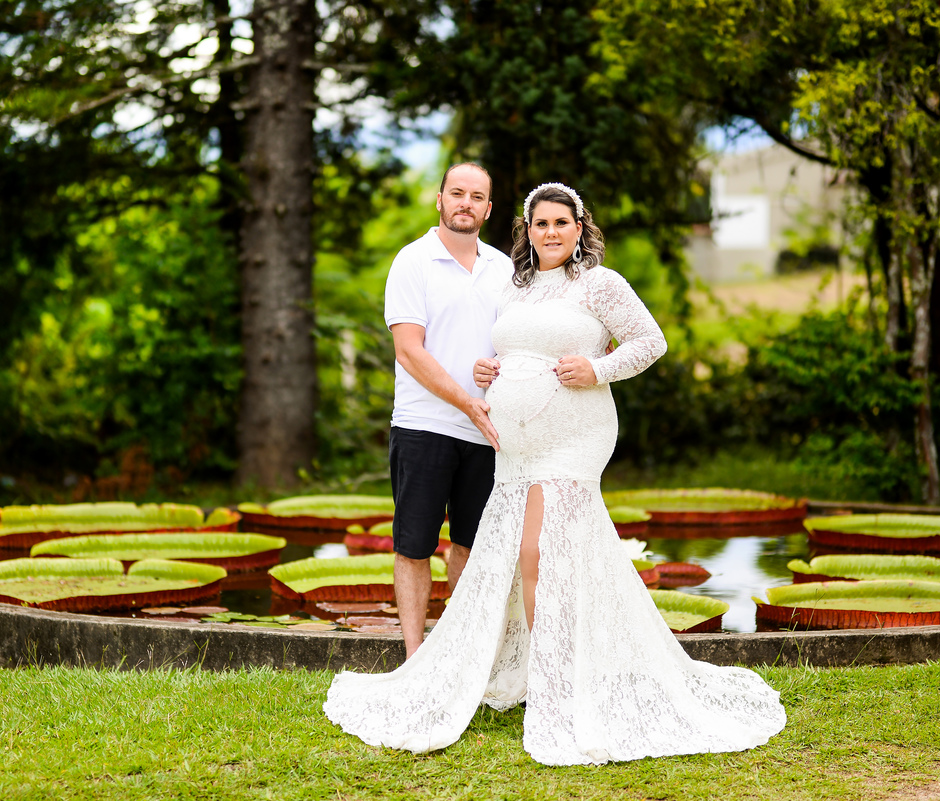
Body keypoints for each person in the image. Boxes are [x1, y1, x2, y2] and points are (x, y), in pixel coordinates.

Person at [324, 182, 786, 766]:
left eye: (560, 223)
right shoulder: (515, 287)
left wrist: (597, 367)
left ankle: (553, 680)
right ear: (527, 229)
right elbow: (513, 352)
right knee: (530, 554)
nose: (550, 233)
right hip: (515, 449)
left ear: (579, 226)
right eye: (540, 224)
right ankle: (541, 664)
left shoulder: (600, 283)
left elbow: (651, 342)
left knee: (537, 554)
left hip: (575, 437)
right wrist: (489, 369)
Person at [382, 162, 514, 658]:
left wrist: (499, 368)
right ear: (439, 199)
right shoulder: (412, 262)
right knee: (414, 546)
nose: (465, 203)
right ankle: (416, 657)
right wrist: (467, 402)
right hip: (424, 426)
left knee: (471, 548)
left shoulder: (503, 269)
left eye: (476, 196)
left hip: (488, 432)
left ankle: (458, 659)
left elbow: (514, 343)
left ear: (488, 208)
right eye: (456, 193)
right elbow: (409, 351)